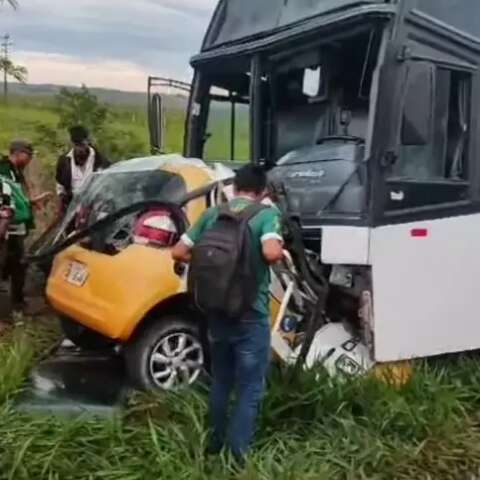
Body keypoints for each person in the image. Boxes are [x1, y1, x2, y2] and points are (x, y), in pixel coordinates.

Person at [172, 164, 284, 461]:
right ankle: (238, 456)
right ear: (263, 192)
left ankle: (213, 446)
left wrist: (215, 264)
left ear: (234, 188)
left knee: (221, 380)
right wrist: (280, 251)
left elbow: (178, 252)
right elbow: (271, 252)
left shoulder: (213, 214)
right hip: (251, 313)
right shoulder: (266, 214)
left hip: (216, 309)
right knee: (249, 387)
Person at [0, 140, 51, 311]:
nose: (29, 160)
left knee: (18, 265)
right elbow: (5, 201)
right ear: (19, 153)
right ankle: (12, 305)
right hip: (6, 228)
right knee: (13, 264)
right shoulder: (3, 170)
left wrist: (32, 202)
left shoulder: (16, 172)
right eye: (28, 155)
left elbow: (16, 200)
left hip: (16, 227)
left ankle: (17, 302)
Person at [55, 125, 109, 215]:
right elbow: (60, 185)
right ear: (72, 144)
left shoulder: (100, 161)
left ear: (88, 142)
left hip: (93, 208)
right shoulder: (64, 161)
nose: (80, 149)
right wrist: (62, 201)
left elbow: (106, 185)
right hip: (70, 207)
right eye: (77, 145)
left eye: (82, 145)